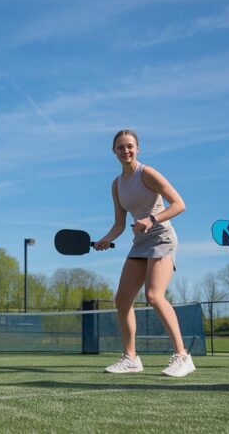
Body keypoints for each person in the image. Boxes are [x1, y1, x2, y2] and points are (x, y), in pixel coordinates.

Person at [93, 129, 194, 377]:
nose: (125, 151)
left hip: (162, 238)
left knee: (153, 295)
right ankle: (131, 358)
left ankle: (183, 356)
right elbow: (119, 224)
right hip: (139, 243)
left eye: (130, 146)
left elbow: (179, 204)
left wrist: (151, 219)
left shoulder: (147, 173)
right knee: (122, 300)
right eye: (120, 147)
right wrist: (106, 239)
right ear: (113, 151)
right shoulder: (117, 185)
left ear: (138, 149)